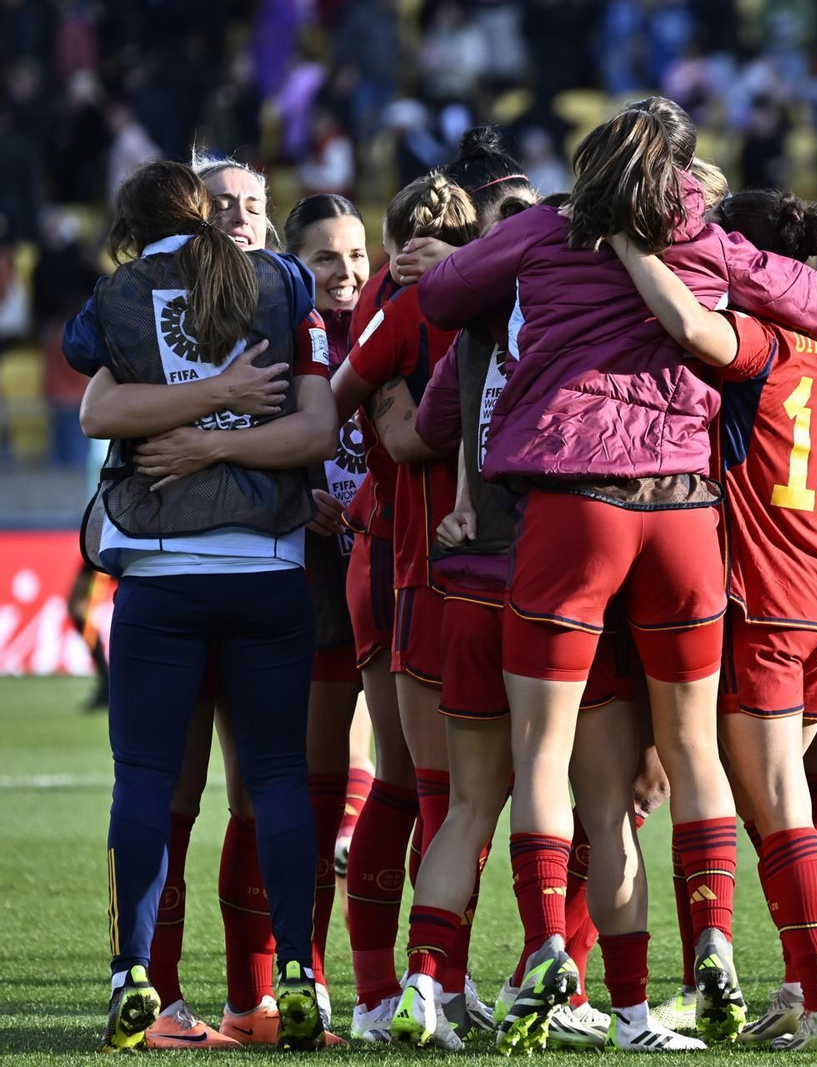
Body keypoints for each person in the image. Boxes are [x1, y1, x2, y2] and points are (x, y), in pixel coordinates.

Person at [416, 95, 817, 1052]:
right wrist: (703, 249)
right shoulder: (702, 241)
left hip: (575, 506)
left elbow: (441, 295)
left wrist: (531, 265)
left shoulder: (542, 229)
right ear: (682, 173)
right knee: (694, 751)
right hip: (685, 512)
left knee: (543, 758)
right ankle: (714, 947)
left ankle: (549, 955)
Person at [64, 158, 336, 1052]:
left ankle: (132, 979)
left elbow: (90, 387)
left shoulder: (119, 292)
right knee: (277, 783)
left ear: (133, 227)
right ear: (209, 215)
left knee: (144, 781)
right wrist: (226, 403)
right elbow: (314, 419)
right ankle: (298, 973)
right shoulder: (282, 278)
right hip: (267, 569)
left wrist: (189, 433)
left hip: (160, 574)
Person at [606, 189, 817, 1052]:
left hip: (768, 596)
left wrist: (630, 250)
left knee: (778, 803)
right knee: (775, 805)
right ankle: (810, 987)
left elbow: (689, 326)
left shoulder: (760, 340)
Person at [329, 171, 481, 1042]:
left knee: (445, 787)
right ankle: (405, 988)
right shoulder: (408, 304)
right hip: (413, 559)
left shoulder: (409, 302)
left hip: (415, 554)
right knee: (432, 786)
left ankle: (397, 989)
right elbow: (392, 432)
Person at [282, 192, 378, 1024]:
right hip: (311, 576)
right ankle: (305, 973)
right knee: (312, 792)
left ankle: (401, 982)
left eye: (356, 256)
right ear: (294, 265)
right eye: (326, 258)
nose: (346, 272)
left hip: (388, 565)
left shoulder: (394, 327)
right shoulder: (280, 343)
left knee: (417, 789)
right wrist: (293, 492)